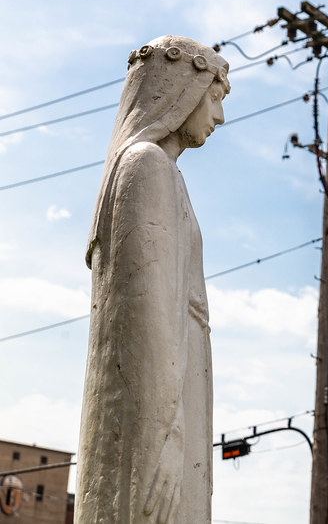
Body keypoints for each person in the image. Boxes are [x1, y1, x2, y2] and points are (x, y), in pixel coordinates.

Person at [76, 36, 229, 523]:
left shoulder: (162, 173)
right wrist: (166, 433)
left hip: (175, 392)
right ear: (182, 90)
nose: (219, 117)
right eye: (215, 98)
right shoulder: (147, 167)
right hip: (160, 408)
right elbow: (148, 315)